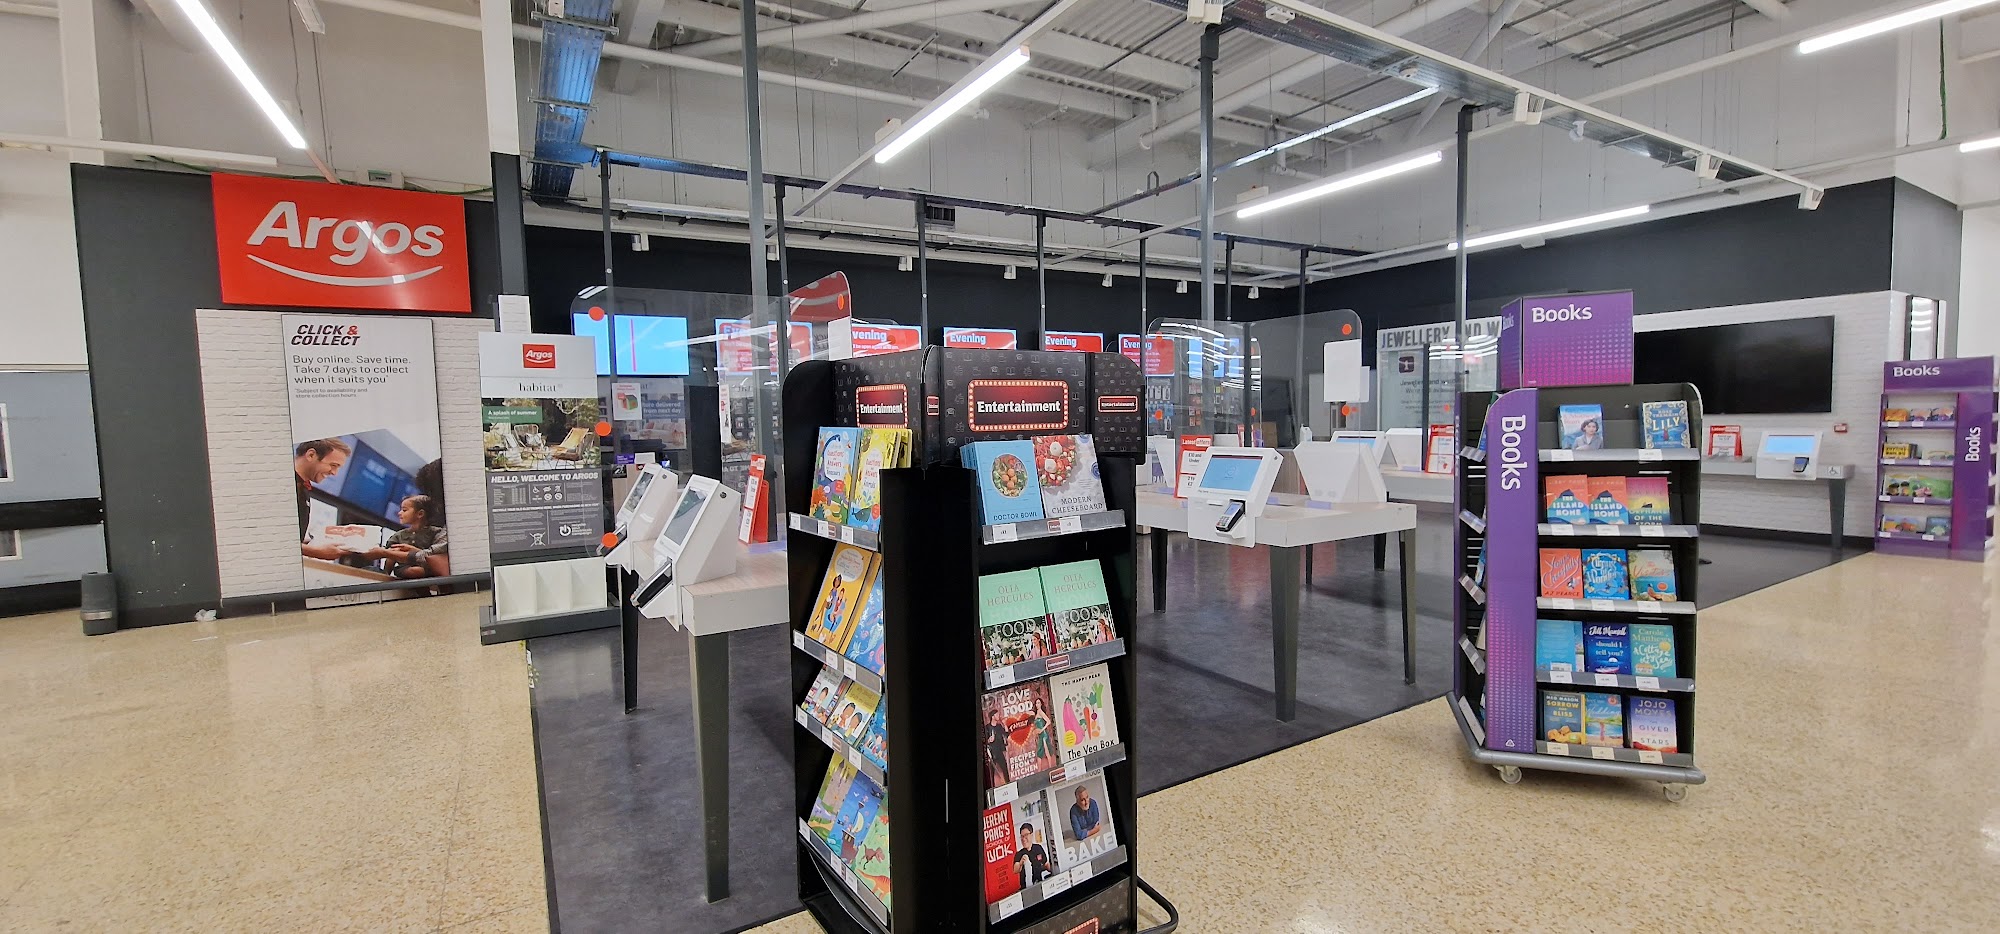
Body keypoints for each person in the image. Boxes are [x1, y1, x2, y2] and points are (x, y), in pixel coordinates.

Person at [365, 495, 448, 579]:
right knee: (413, 571)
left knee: (420, 571)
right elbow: (390, 556)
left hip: (427, 567)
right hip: (405, 568)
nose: (399, 513)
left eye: (404, 510)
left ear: (420, 514)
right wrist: (386, 574)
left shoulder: (437, 533)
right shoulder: (398, 535)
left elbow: (435, 556)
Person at [295, 438, 351, 561]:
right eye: (333, 465)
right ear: (311, 455)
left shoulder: (303, 489)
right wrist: (315, 551)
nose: (335, 473)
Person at [984, 708, 1011, 785]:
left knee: (1005, 769)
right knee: (991, 772)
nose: (998, 716)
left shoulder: (999, 726)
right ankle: (992, 786)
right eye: (997, 714)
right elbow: (983, 741)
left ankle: (1008, 784)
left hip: (999, 751)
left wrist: (1004, 724)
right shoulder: (987, 727)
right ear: (993, 716)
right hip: (992, 753)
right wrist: (989, 740)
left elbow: (1006, 734)